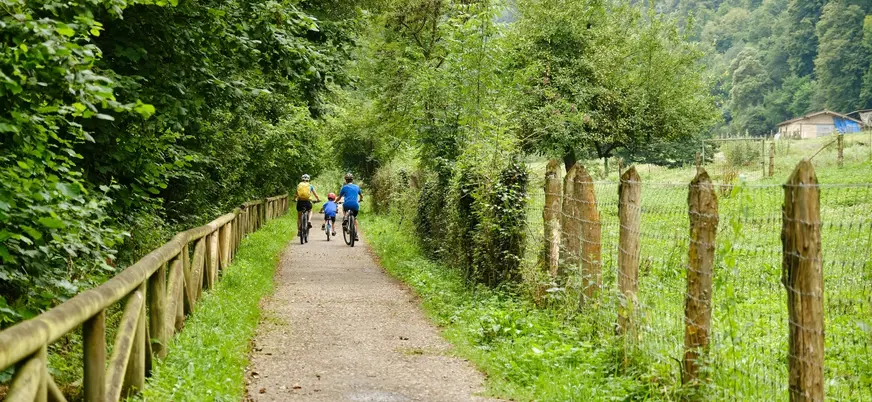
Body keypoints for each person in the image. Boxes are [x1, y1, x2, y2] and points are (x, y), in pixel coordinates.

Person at [336, 172, 362, 240]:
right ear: (352, 180)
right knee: (355, 219)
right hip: (355, 205)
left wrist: (335, 202)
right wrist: (360, 200)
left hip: (347, 205)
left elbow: (339, 197)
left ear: (346, 180)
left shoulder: (344, 187)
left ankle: (345, 217)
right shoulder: (357, 187)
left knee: (343, 208)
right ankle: (356, 234)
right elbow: (361, 196)